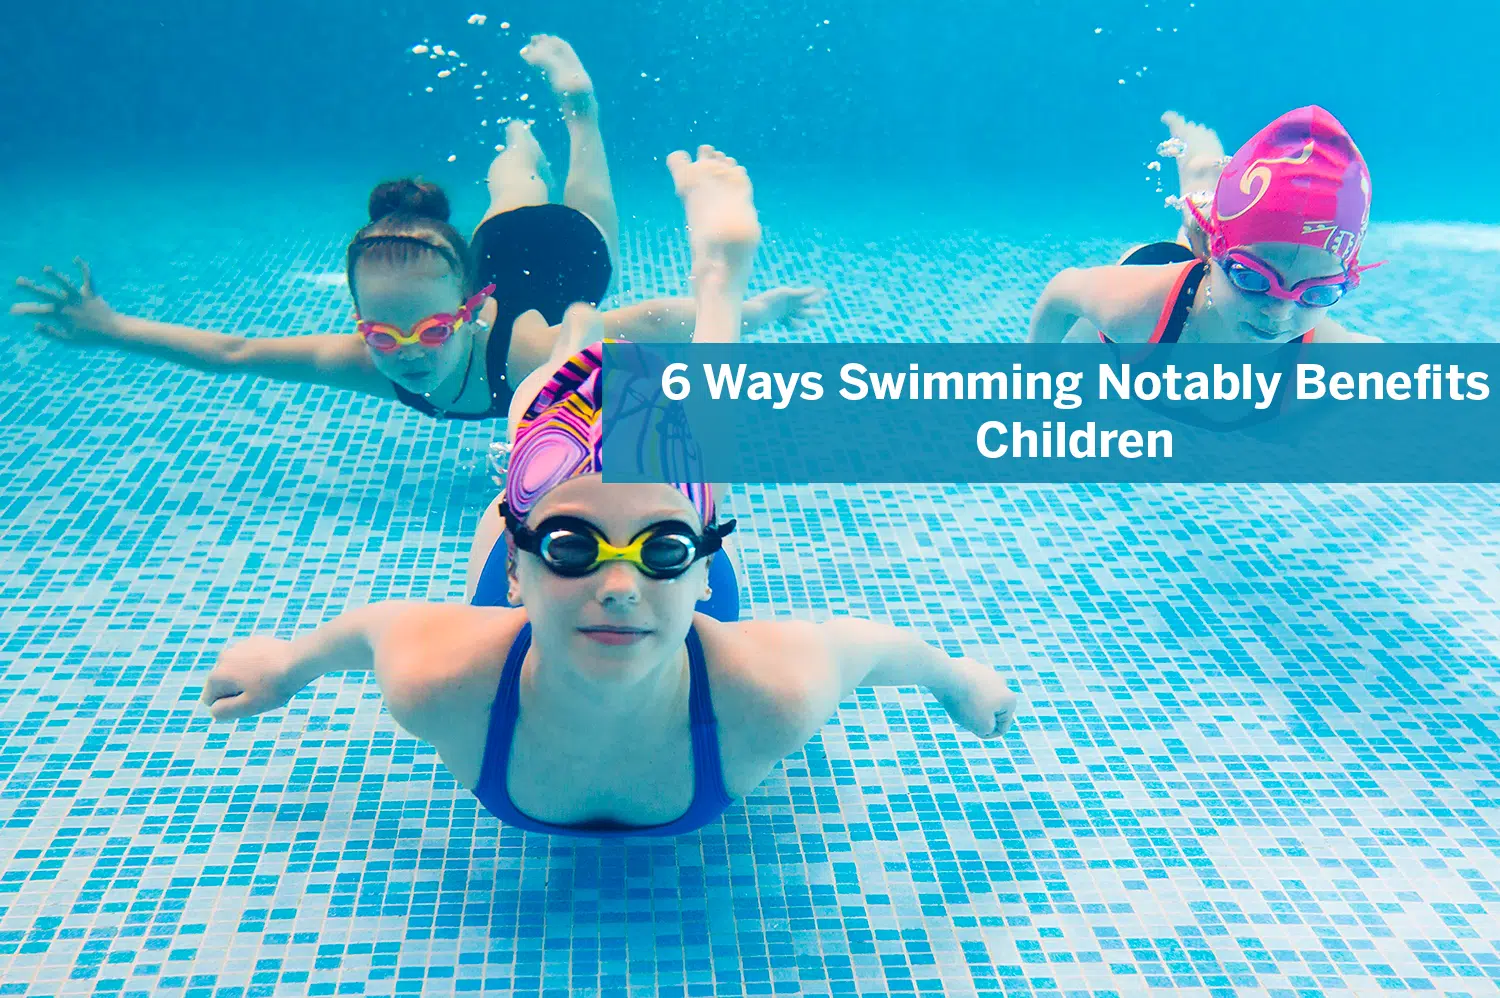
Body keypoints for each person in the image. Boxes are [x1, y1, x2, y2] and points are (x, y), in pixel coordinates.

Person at [199, 145, 1021, 837]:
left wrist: (956, 679)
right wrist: (285, 667)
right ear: (516, 576)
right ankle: (629, 343)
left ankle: (714, 289)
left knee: (642, 444)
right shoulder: (444, 677)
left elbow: (877, 649)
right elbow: (371, 632)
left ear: (706, 577)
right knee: (573, 423)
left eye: (663, 558)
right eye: (572, 552)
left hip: (638, 558)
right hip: (577, 548)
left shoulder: (768, 692)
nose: (619, 589)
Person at [10, 35, 826, 423]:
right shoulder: (370, 361)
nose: (404, 349)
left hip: (560, 268)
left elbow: (654, 323)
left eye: (429, 327)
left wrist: (745, 313)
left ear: (469, 308)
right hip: (499, 252)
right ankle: (514, 146)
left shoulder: (538, 352)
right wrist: (110, 329)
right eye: (381, 330)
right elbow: (235, 355)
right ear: (360, 322)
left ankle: (577, 107)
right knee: (511, 190)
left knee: (577, 194)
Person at [1029, 106, 1381, 346]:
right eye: (1253, 278)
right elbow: (1063, 291)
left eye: (1317, 293)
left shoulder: (1322, 347)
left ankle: (1212, 209)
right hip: (1162, 277)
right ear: (1214, 254)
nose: (1279, 312)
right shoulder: (1133, 311)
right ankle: (1200, 182)